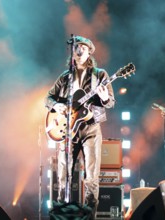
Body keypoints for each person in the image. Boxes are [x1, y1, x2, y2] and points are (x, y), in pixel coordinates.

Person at [45, 35, 115, 218]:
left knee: (91, 178)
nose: (79, 50)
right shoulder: (65, 76)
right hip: (68, 130)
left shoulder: (100, 75)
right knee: (63, 176)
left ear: (89, 51)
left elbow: (111, 102)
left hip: (90, 129)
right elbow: (49, 97)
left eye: (82, 47)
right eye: (76, 46)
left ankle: (89, 217)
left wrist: (105, 97)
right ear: (72, 51)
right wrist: (56, 105)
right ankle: (60, 214)